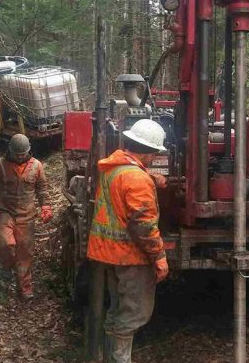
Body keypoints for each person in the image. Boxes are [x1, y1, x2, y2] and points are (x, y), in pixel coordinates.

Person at [87, 119, 169, 363]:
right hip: (131, 255)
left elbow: (125, 190)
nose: (154, 159)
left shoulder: (115, 168)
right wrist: (159, 257)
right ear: (147, 151)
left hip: (110, 253)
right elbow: (143, 226)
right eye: (154, 154)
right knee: (135, 313)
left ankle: (108, 357)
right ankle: (120, 359)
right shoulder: (137, 179)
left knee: (117, 308)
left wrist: (151, 178)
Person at [0, 134, 52, 299]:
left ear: (28, 151)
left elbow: (42, 188)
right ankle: (7, 267)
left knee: (25, 252)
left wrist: (46, 207)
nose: (20, 157)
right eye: (17, 154)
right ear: (10, 151)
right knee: (4, 243)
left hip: (26, 215)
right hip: (4, 212)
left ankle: (25, 288)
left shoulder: (37, 166)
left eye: (23, 154)